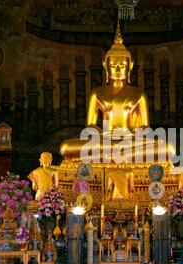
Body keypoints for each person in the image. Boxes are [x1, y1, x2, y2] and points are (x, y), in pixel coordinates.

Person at [59, 22, 175, 163]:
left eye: (122, 65)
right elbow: (90, 126)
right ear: (105, 66)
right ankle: (117, 154)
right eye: (113, 65)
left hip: (131, 141)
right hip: (105, 142)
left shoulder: (138, 93)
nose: (118, 69)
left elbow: (145, 127)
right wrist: (104, 135)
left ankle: (115, 154)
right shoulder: (97, 93)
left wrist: (132, 135)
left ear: (130, 66)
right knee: (66, 147)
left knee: (168, 148)